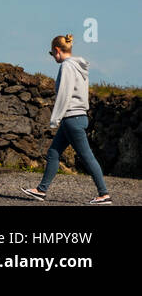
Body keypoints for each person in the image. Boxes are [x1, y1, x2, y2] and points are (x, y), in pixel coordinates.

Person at [21, 33, 111, 204]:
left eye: (51, 53)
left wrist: (55, 119)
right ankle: (41, 190)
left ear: (57, 50)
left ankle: (104, 194)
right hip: (78, 116)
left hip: (72, 118)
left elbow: (64, 94)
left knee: (87, 157)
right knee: (53, 152)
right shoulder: (79, 66)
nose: (52, 57)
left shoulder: (67, 67)